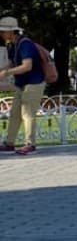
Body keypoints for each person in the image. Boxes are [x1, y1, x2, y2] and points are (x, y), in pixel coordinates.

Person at [0, 17, 46, 154]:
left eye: (3, 31)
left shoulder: (25, 44)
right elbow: (13, 63)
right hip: (22, 84)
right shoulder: (12, 45)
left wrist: (6, 73)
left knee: (27, 113)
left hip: (34, 82)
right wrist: (3, 71)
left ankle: (30, 144)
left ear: (11, 32)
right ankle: (9, 143)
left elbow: (27, 66)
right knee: (14, 114)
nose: (1, 34)